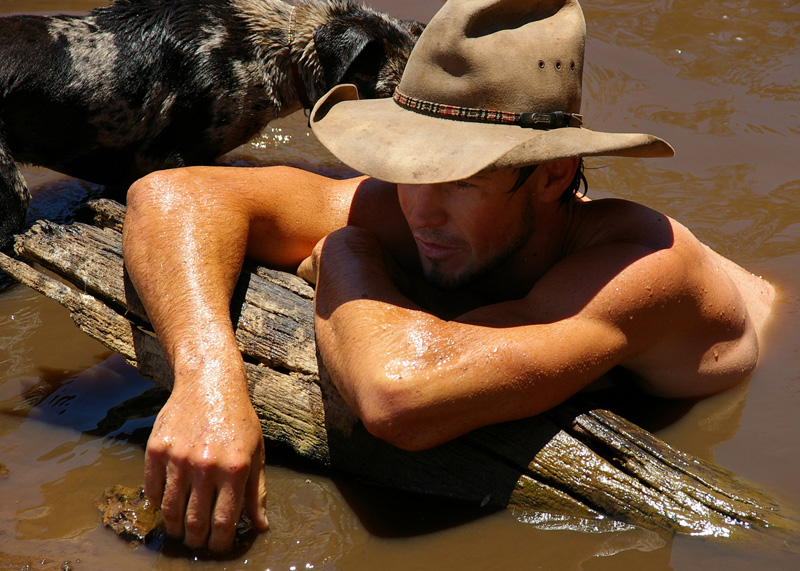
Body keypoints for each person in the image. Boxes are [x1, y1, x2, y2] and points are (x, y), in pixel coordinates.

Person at [121, 0, 774, 553]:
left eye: (459, 180)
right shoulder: (426, 203)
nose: (420, 209)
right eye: (408, 170)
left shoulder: (643, 269)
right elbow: (170, 196)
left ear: (549, 175)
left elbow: (399, 397)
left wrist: (346, 254)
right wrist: (208, 382)